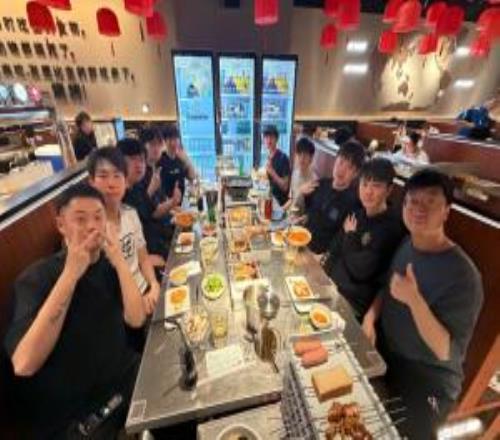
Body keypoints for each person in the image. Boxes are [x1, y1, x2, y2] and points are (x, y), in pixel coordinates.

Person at [4, 183, 144, 439]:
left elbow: (136, 319)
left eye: (98, 217)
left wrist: (120, 262)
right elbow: (24, 363)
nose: (92, 226)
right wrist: (70, 274)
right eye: (80, 219)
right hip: (85, 419)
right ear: (61, 225)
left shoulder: (108, 264)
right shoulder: (37, 278)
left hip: (129, 383)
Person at [362, 169, 483, 439]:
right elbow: (389, 288)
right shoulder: (408, 243)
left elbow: (445, 351)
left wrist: (414, 300)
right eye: (413, 201)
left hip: (427, 379)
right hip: (387, 354)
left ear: (447, 211)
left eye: (430, 201)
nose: (419, 208)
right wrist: (370, 317)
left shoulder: (464, 275)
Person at [322, 158, 405, 320]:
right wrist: (321, 275)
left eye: (376, 186)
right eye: (364, 184)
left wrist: (350, 236)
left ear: (389, 190)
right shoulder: (357, 214)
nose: (368, 191)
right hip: (330, 287)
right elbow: (334, 248)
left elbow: (360, 270)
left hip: (351, 304)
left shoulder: (391, 228)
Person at [87, 147, 160, 316]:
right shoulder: (90, 232)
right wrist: (137, 303)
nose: (111, 184)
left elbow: (143, 258)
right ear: (91, 182)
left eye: (117, 176)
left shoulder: (130, 214)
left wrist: (154, 285)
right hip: (119, 309)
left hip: (145, 291)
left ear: (126, 182)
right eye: (103, 176)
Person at [118, 138, 180, 262]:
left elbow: (153, 212)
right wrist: (145, 260)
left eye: (141, 160)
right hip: (151, 256)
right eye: (132, 159)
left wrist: (173, 202)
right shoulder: (118, 197)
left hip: (159, 244)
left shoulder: (137, 187)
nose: (139, 165)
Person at [302, 141, 365, 254]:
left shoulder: (353, 204)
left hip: (319, 255)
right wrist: (304, 196)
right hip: (302, 240)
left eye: (349, 167)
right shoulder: (320, 184)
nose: (342, 170)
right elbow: (310, 210)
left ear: (355, 174)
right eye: (341, 162)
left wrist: (324, 257)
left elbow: (341, 238)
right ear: (335, 160)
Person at [158, 124, 196, 201]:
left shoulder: (181, 159)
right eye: (170, 139)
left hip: (180, 204)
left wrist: (187, 160)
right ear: (164, 141)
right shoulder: (160, 160)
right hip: (166, 204)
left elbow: (192, 176)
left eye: (175, 139)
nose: (173, 143)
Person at [286, 137, 316, 215]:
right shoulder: (295, 173)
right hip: (289, 215)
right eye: (299, 154)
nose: (302, 158)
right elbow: (291, 199)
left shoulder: (314, 181)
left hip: (300, 220)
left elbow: (311, 213)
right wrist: (281, 209)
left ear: (311, 158)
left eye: (305, 155)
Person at [263, 125, 291, 206]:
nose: (269, 140)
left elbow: (285, 187)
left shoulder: (283, 158)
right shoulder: (268, 156)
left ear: (277, 139)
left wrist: (272, 172)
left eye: (271, 137)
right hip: (269, 198)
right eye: (266, 137)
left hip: (279, 203)